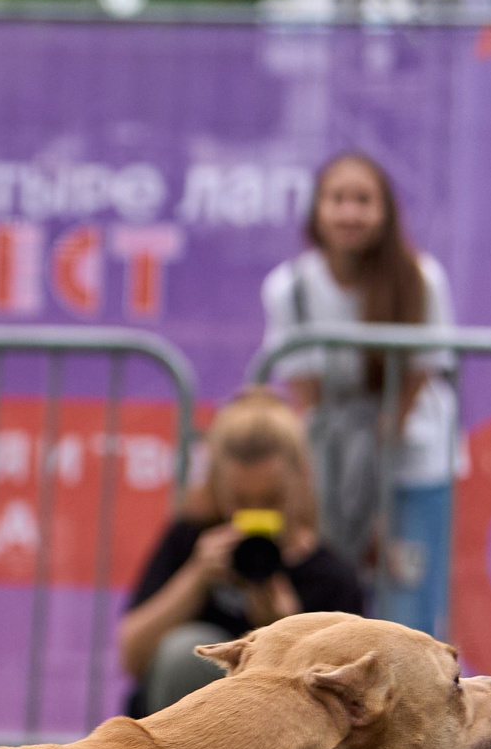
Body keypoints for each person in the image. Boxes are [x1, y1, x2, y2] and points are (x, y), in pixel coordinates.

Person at [260, 151, 461, 633]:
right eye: (337, 199)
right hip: (331, 468)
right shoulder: (289, 288)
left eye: (363, 200)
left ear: (385, 210)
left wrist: (376, 463)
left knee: (408, 613)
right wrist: (340, 477)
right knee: (333, 609)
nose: (350, 212)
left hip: (412, 464)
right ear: (317, 209)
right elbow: (305, 393)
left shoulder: (420, 277)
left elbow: (419, 374)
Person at [117, 388, 368, 716]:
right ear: (218, 487)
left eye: (271, 500)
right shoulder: (192, 540)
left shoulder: (331, 576)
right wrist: (195, 578)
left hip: (274, 736)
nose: (255, 515)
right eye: (241, 502)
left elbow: (347, 703)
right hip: (183, 737)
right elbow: (132, 657)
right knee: (186, 654)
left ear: (300, 480)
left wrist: (286, 630)